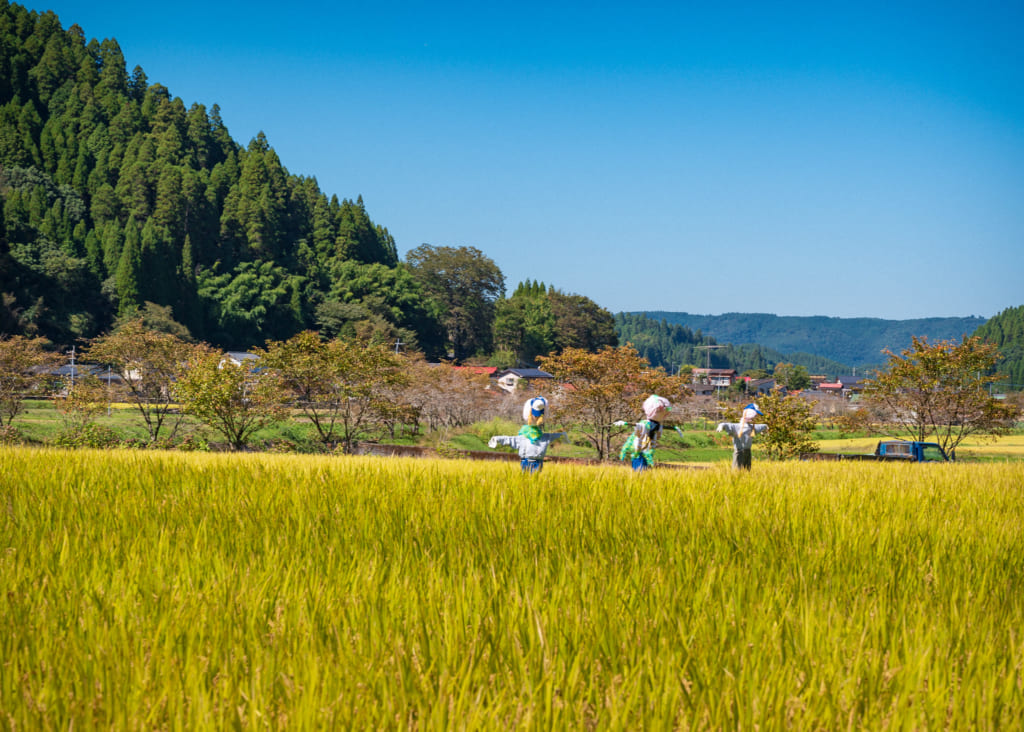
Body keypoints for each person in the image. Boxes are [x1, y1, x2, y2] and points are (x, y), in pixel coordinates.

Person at [488, 396, 565, 473]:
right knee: (527, 478)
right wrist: (497, 439)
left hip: (538, 463)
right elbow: (511, 439)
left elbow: (553, 437)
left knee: (535, 480)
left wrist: (562, 435)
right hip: (525, 462)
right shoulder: (523, 437)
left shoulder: (543, 437)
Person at [619, 394, 672, 472]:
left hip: (648, 449)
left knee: (645, 466)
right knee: (640, 465)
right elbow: (639, 427)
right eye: (659, 411)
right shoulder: (645, 424)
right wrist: (625, 423)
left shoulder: (657, 425)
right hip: (640, 449)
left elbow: (658, 433)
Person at [716, 402, 768, 470]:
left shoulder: (751, 427)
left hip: (748, 452)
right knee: (737, 470)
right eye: (755, 415)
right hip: (739, 452)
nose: (755, 417)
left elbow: (763, 426)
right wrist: (721, 426)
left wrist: (765, 429)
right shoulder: (737, 427)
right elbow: (725, 424)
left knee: (747, 471)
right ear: (750, 414)